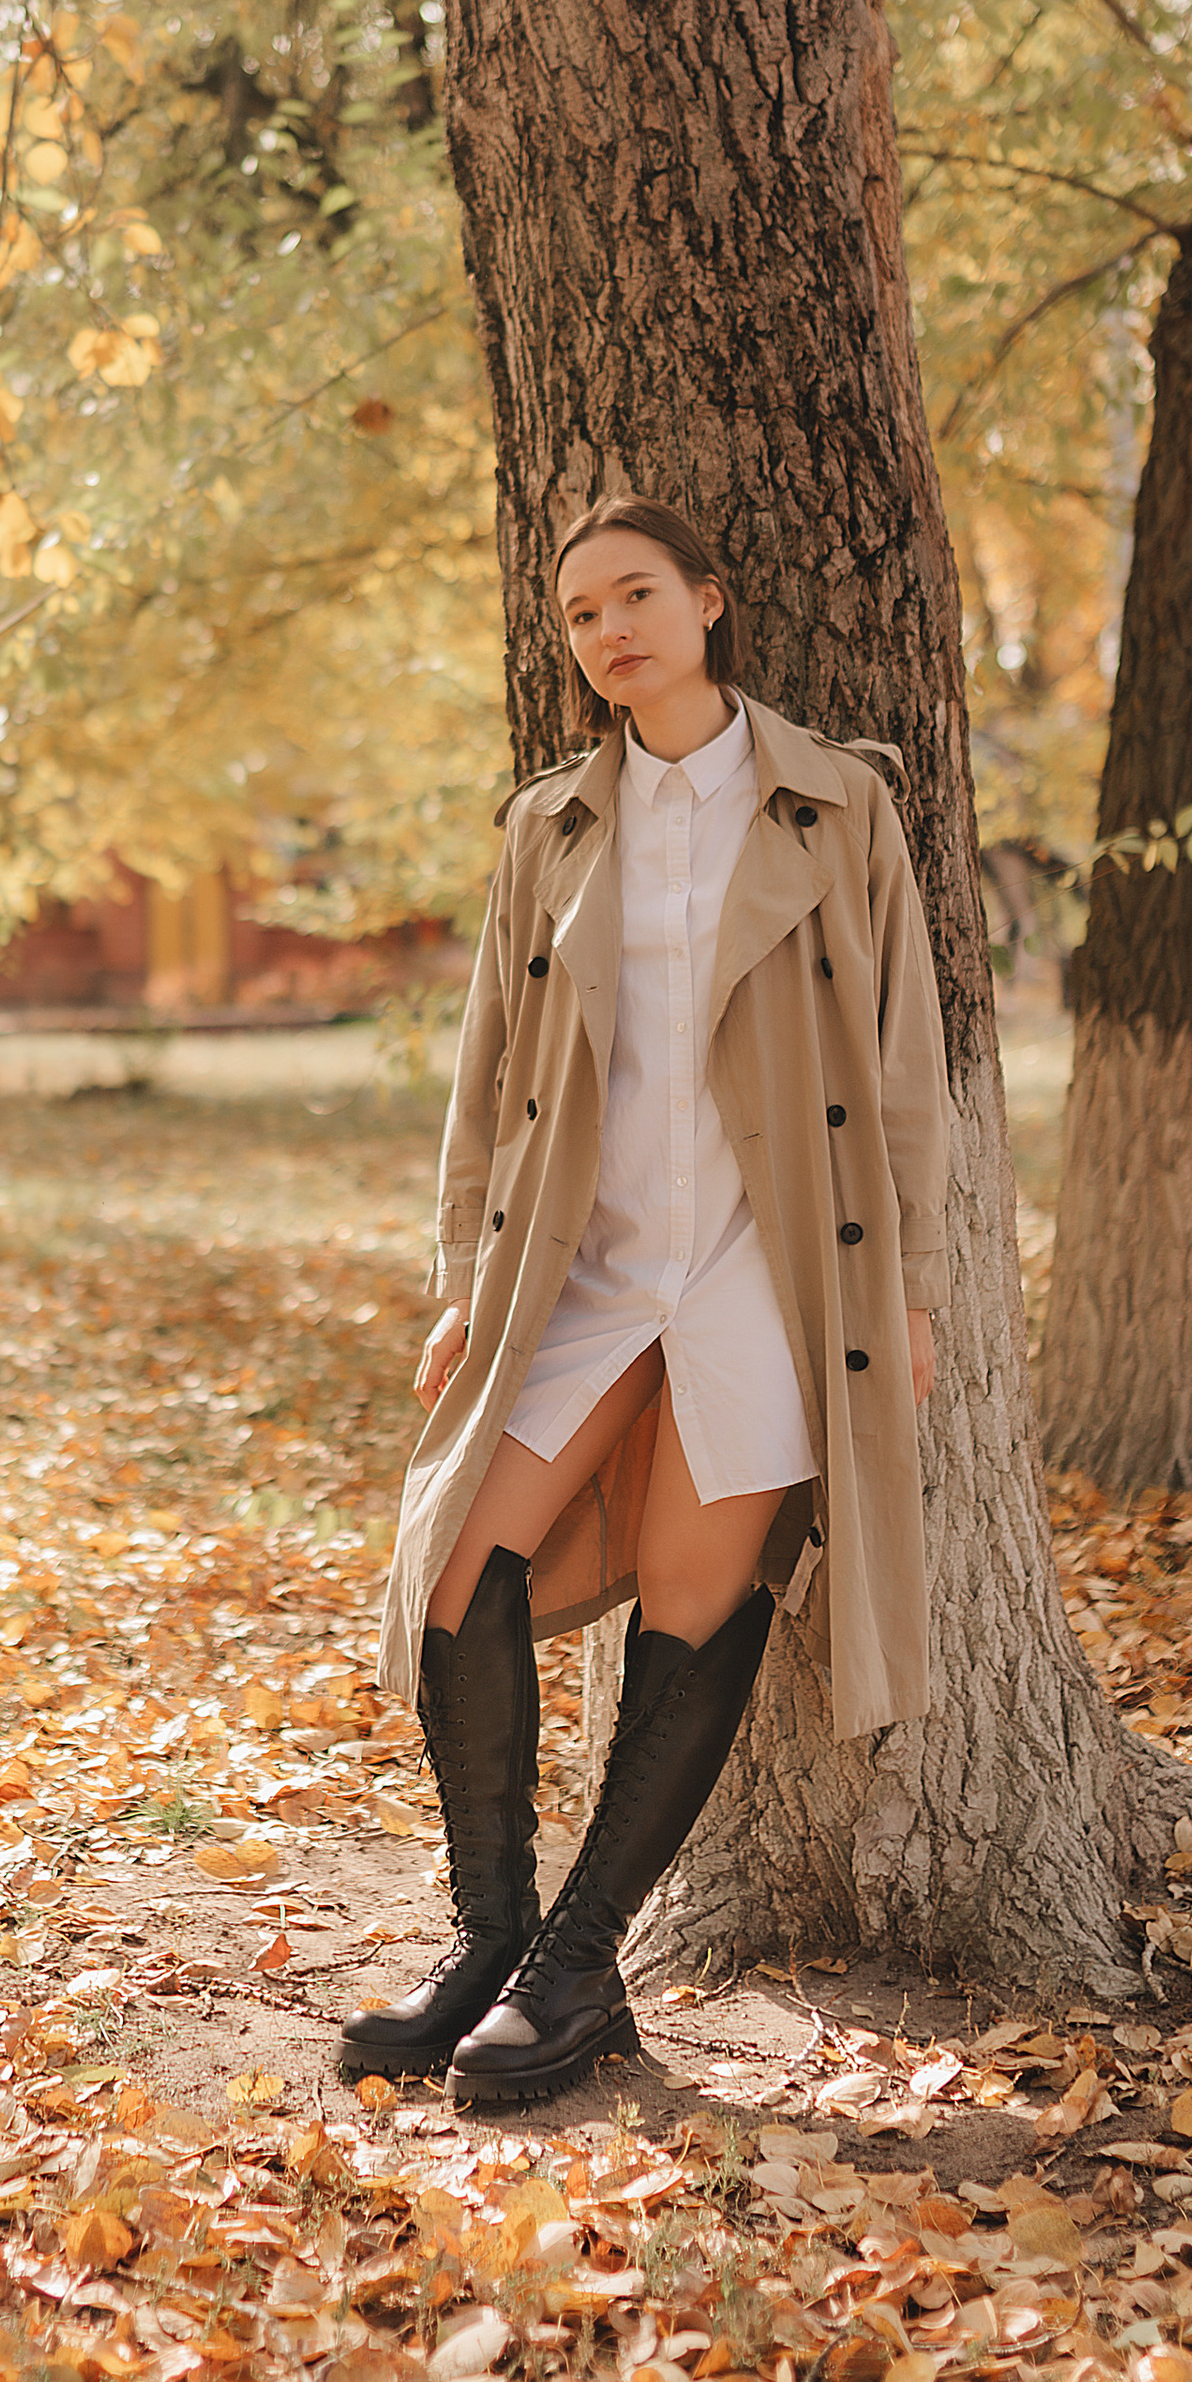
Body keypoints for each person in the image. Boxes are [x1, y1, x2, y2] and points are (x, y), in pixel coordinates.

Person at [342, 491, 950, 2110]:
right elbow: (485, 1081)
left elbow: (901, 1074)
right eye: (580, 615)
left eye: (635, 596)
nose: (609, 632)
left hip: (770, 1253)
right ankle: (490, 1934)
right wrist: (469, 1278)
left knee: (698, 1592)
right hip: (587, 1251)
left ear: (710, 598)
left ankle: (579, 1968)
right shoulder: (549, 825)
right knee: (459, 1561)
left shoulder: (836, 806)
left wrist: (919, 1293)